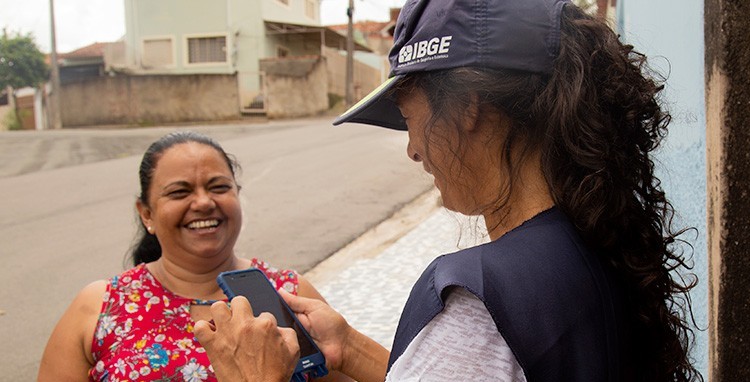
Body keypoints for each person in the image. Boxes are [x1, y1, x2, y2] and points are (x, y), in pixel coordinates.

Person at [195, 0, 702, 381]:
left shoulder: (481, 299)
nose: (413, 149)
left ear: (467, 107)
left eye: (411, 120)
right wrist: (348, 346)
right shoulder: (594, 239)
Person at [37, 131, 349, 381]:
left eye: (218, 187)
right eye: (179, 192)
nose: (203, 202)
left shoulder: (290, 295)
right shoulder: (99, 306)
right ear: (146, 213)